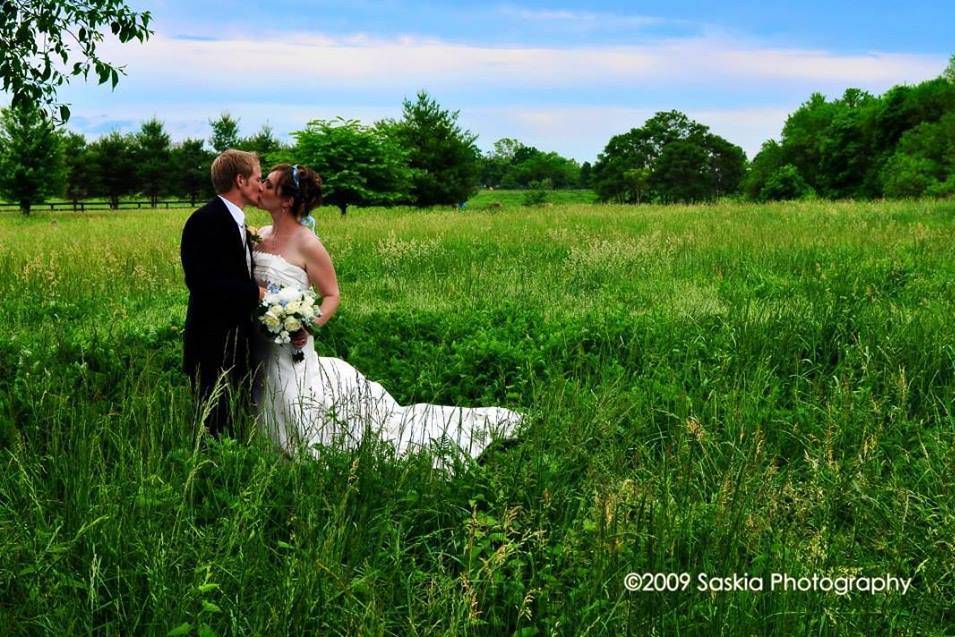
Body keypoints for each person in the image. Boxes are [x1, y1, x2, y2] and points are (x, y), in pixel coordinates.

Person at [252, 163, 523, 466]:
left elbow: (332, 295)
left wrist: (307, 323)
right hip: (258, 341)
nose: (260, 187)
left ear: (287, 200)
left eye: (269, 184)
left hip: (291, 345)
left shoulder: (307, 243)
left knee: (294, 401)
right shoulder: (259, 234)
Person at [180, 149, 266, 438]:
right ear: (240, 181)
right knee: (213, 425)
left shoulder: (237, 222)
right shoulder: (204, 220)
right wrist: (257, 293)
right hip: (212, 343)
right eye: (258, 178)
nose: (261, 185)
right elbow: (202, 284)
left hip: (236, 342)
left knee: (232, 421)